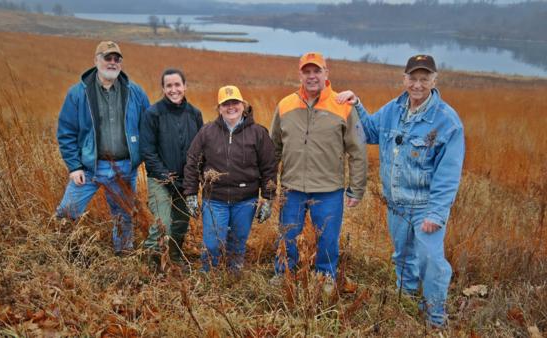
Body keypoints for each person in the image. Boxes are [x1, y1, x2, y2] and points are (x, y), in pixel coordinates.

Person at [337, 54, 465, 327]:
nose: (417, 84)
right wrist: (356, 104)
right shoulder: (394, 109)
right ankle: (406, 300)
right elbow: (369, 132)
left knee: (431, 260)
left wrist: (436, 213)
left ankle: (434, 317)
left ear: (434, 80)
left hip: (424, 207)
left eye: (424, 79)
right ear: (404, 78)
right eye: (413, 78)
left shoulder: (447, 121)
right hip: (396, 204)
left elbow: (448, 174)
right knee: (403, 256)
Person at [269, 52, 367, 284]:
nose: (312, 76)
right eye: (307, 71)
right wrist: (270, 183)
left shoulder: (342, 105)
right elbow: (274, 148)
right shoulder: (285, 105)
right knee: (287, 234)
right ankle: (284, 274)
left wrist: (357, 188)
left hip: (329, 188)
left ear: (326, 74)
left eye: (317, 71)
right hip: (292, 186)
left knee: (328, 238)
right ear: (300, 75)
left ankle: (325, 277)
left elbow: (357, 150)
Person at [55, 41, 150, 256]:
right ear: (96, 60)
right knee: (67, 212)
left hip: (123, 168)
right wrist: (74, 166)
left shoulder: (134, 92)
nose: (113, 63)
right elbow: (66, 132)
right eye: (108, 58)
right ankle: (63, 253)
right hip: (88, 168)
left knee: (124, 214)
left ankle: (123, 255)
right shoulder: (78, 93)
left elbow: (149, 126)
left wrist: (142, 156)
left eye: (117, 59)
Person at [183, 85, 277, 272]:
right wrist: (191, 193)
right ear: (219, 108)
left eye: (235, 102)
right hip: (215, 200)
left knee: (237, 244)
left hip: (245, 200)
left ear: (243, 105)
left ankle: (233, 276)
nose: (230, 107)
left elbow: (269, 167)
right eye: (225, 104)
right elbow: (193, 162)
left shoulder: (258, 133)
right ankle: (209, 276)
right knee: (212, 244)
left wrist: (268, 198)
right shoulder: (207, 132)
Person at [140, 68, 203, 266]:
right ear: (163, 88)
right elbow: (147, 151)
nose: (173, 89)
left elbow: (201, 149)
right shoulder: (153, 114)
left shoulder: (195, 114)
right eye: (169, 86)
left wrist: (195, 178)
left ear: (185, 86)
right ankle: (150, 263)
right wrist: (166, 176)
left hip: (187, 181)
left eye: (177, 85)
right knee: (163, 224)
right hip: (160, 180)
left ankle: (174, 259)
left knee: (181, 224)